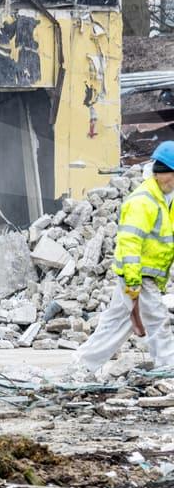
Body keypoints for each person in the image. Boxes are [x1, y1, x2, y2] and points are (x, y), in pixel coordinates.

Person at [74, 141, 174, 371]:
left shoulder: (165, 201)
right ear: (162, 173)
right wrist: (132, 280)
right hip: (140, 275)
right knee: (158, 321)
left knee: (116, 324)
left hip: (144, 276)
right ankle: (168, 369)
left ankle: (81, 367)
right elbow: (129, 243)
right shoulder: (143, 201)